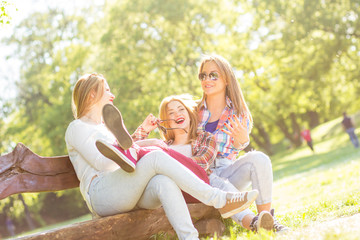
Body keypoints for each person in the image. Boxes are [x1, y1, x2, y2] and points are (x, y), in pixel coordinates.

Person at [65, 73, 258, 240]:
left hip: (125, 189)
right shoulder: (77, 128)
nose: (112, 95)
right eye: (107, 90)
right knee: (155, 157)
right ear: (92, 94)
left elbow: (124, 160)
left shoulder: (105, 129)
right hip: (102, 194)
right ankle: (219, 199)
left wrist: (143, 143)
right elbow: (104, 164)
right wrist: (136, 147)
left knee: (163, 181)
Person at [196, 54, 289, 232]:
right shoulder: (193, 111)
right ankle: (254, 224)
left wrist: (243, 142)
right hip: (201, 175)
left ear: (226, 79)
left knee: (259, 159)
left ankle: (267, 218)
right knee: (211, 179)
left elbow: (240, 145)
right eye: (203, 75)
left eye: (213, 75)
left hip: (227, 172)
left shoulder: (238, 114)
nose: (207, 79)